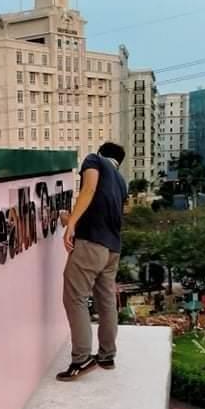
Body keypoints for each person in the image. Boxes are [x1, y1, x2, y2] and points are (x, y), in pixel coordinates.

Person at [56, 142, 128, 381]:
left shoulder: (93, 161)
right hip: (112, 250)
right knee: (106, 301)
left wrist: (72, 224)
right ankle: (107, 356)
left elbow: (88, 189)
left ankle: (82, 358)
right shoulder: (121, 181)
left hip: (91, 245)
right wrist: (70, 218)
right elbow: (101, 212)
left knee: (74, 296)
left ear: (100, 153)